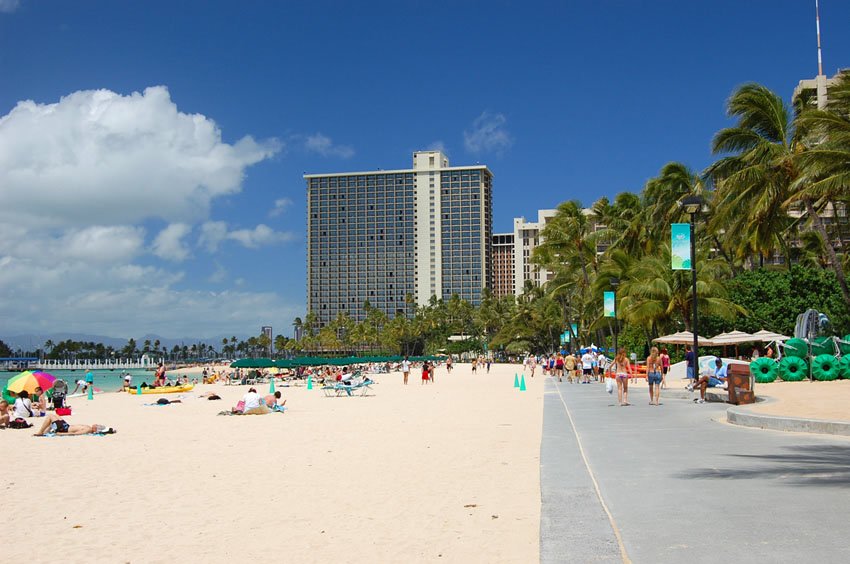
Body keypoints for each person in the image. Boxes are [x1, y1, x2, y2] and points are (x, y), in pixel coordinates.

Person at [34, 412, 116, 436]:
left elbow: (74, 433)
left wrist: (61, 433)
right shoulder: (89, 427)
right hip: (67, 425)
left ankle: (41, 432)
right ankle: (46, 431)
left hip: (64, 429)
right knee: (56, 415)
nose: (96, 424)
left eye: (98, 426)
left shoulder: (88, 429)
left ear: (96, 430)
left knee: (50, 416)